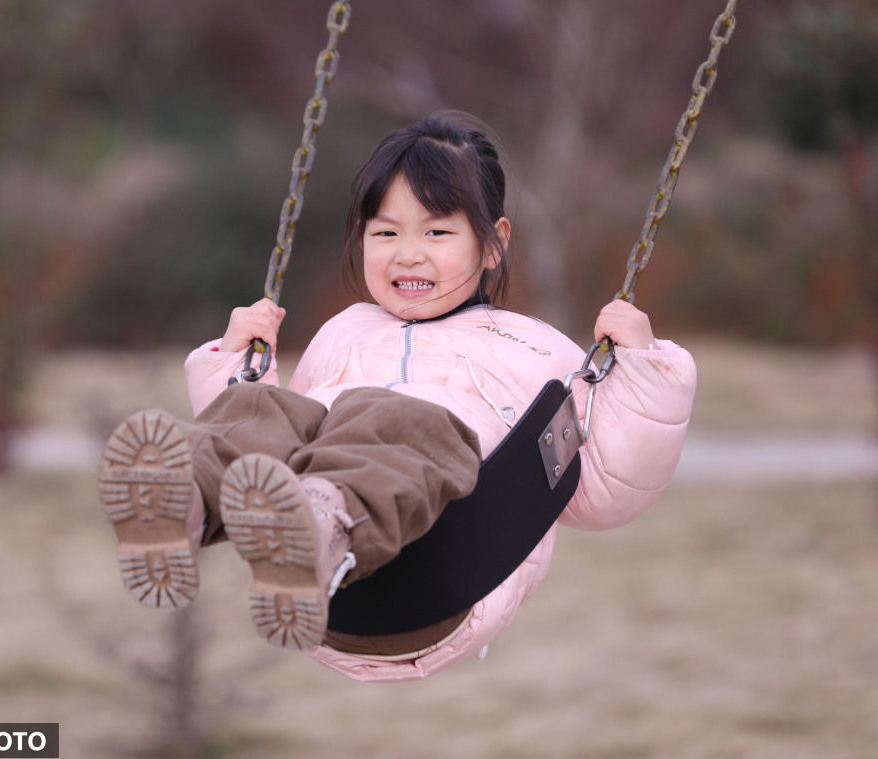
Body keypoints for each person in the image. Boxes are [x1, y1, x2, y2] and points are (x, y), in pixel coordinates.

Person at [99, 113, 697, 682]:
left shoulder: (533, 348)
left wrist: (643, 369)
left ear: (493, 245)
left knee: (392, 418)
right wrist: (236, 367)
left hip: (445, 568)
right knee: (273, 410)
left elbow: (603, 494)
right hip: (332, 612)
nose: (408, 253)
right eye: (386, 232)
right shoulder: (342, 332)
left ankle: (320, 527)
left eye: (437, 232)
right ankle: (182, 501)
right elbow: (283, 441)